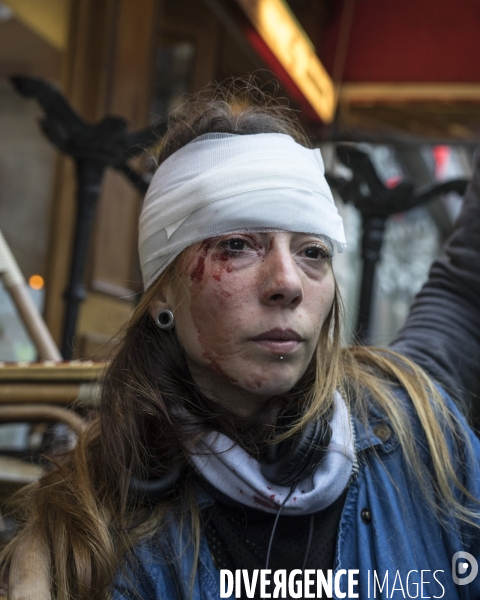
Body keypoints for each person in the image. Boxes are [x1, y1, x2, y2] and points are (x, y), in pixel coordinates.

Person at [4, 87, 480, 600]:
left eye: (313, 251)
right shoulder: (86, 541)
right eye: (238, 244)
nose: (288, 282)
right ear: (162, 287)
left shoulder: (423, 435)